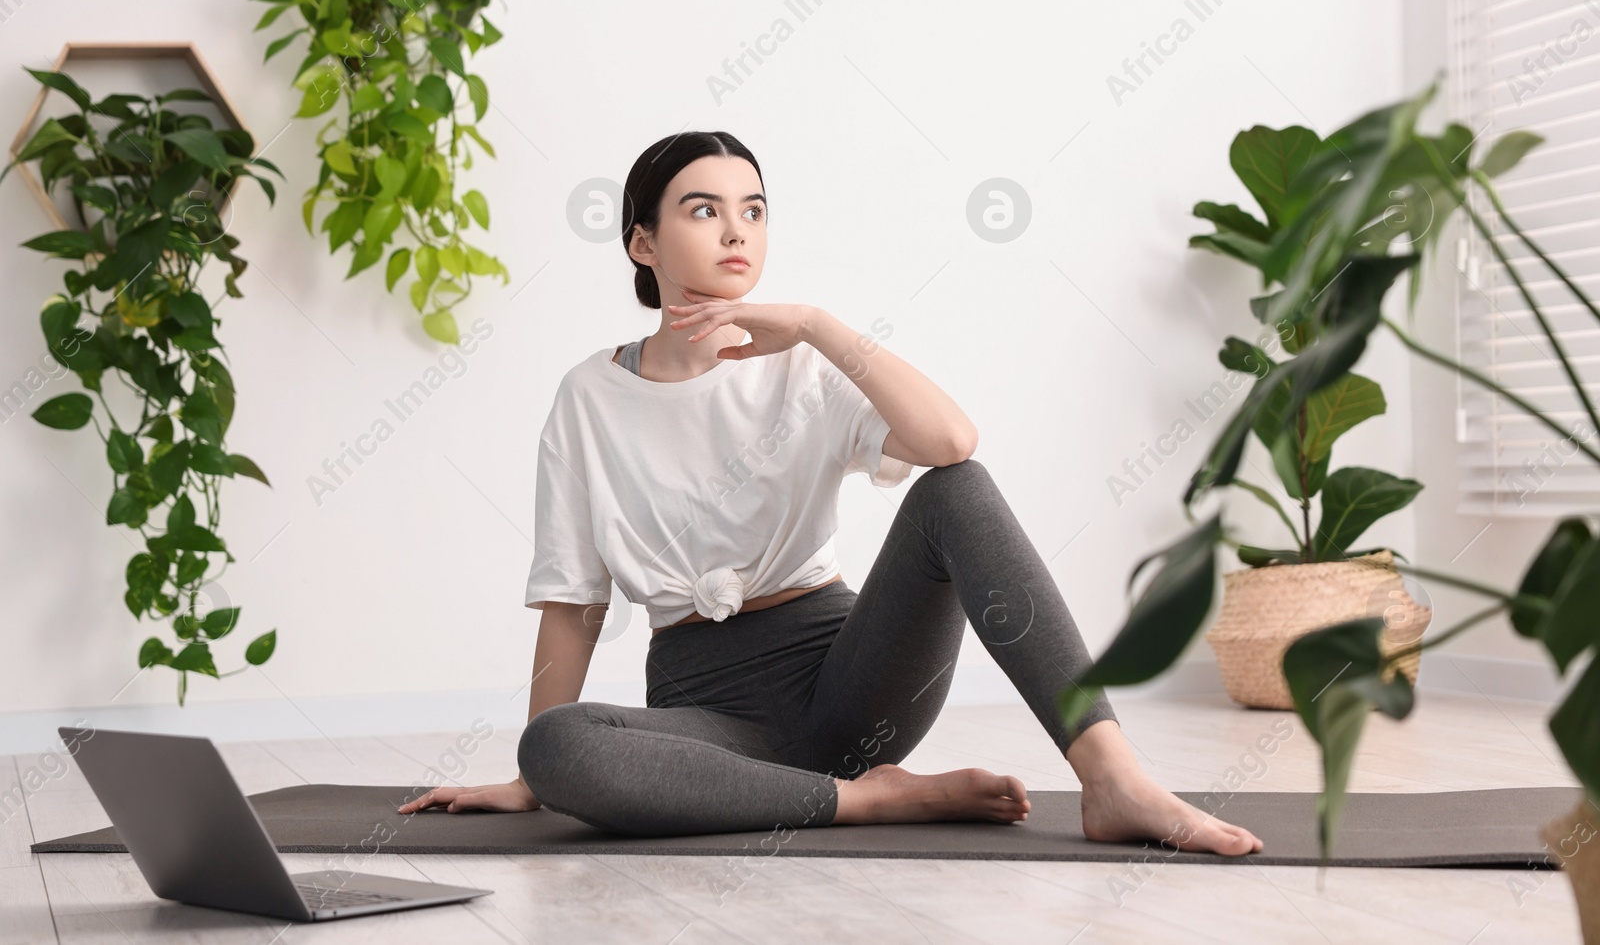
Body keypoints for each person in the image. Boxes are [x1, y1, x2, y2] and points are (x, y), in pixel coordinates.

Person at [399, 131, 1263, 856]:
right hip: (709, 722)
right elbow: (574, 599)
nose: (737, 231)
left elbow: (952, 444)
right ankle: (870, 802)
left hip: (855, 683)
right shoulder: (588, 397)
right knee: (556, 744)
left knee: (955, 491)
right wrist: (528, 776)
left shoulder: (806, 362)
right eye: (704, 209)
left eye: (754, 210)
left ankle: (1113, 778)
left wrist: (818, 325)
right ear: (643, 243)